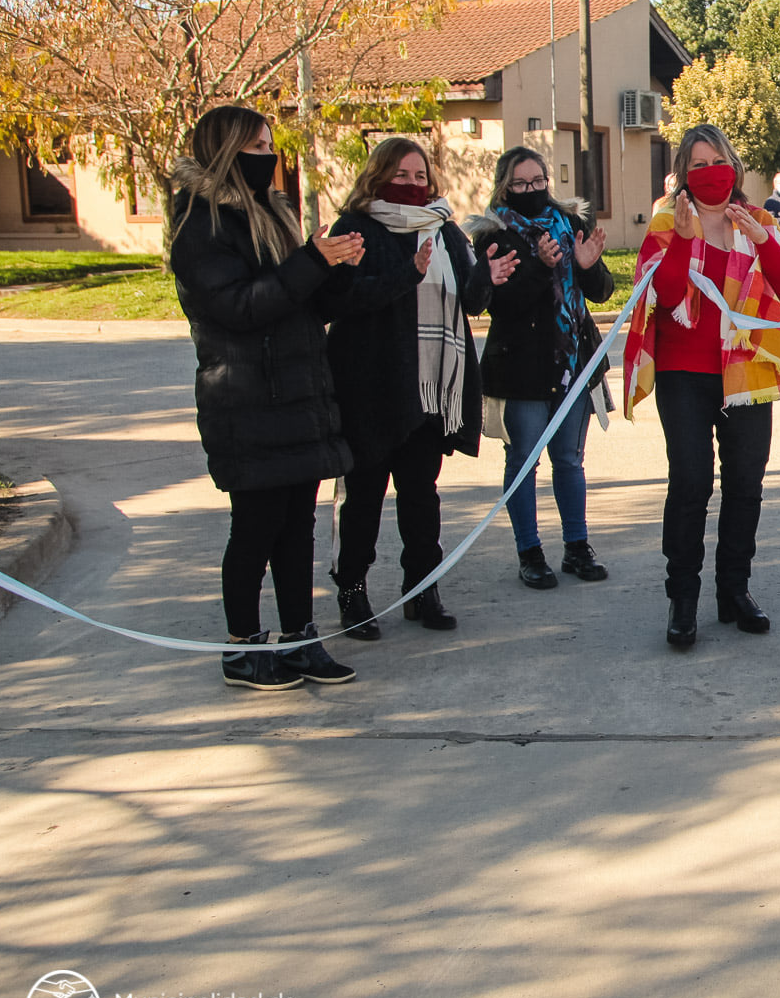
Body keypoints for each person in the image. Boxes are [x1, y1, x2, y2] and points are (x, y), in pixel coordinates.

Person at [168, 104, 363, 690]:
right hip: (246, 398)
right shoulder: (199, 224)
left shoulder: (273, 213)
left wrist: (337, 268)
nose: (268, 157)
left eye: (270, 145)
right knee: (256, 525)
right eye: (256, 146)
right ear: (226, 151)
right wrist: (310, 261)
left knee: (298, 527)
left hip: (300, 395)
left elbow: (306, 305)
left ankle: (301, 637)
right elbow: (239, 307)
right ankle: (242, 645)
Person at [322, 137, 517, 639]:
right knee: (364, 497)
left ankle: (422, 589)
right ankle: (352, 591)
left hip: (434, 390)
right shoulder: (355, 228)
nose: (413, 184)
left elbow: (469, 303)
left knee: (420, 497)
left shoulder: (444, 228)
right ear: (378, 175)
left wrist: (488, 278)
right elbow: (342, 300)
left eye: (420, 175)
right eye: (402, 175)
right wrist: (404, 275)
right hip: (373, 387)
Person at [624, 124, 780, 649]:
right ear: (684, 173)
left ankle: (735, 591)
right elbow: (662, 292)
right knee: (690, 482)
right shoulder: (667, 221)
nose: (711, 172)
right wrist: (683, 240)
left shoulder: (760, 220)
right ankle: (682, 599)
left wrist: (759, 238)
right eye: (698, 165)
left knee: (746, 484)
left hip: (746, 372)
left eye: (718, 161)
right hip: (685, 374)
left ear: (735, 166)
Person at [466, 147, 615, 591]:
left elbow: (603, 292)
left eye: (538, 181)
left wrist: (586, 267)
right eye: (521, 184)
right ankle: (530, 552)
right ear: (505, 187)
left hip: (572, 362)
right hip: (521, 365)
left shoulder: (570, 223)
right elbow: (502, 305)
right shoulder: (495, 234)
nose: (532, 190)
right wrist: (540, 265)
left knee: (569, 459)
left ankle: (577, 546)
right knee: (524, 458)